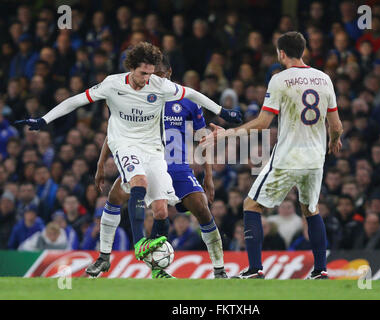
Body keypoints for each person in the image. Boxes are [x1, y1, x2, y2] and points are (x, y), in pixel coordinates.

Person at [16, 42, 241, 273]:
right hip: (127, 147)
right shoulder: (113, 85)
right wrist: (45, 120)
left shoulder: (166, 90)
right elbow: (81, 105)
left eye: (155, 74)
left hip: (164, 157)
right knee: (127, 189)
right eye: (145, 73)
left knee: (172, 210)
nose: (150, 79)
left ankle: (179, 269)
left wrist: (223, 113)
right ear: (132, 68)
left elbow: (196, 105)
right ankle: (123, 249)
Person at [202, 31, 343, 279]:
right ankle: (321, 269)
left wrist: (226, 135)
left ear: (281, 53)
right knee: (311, 209)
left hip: (288, 156)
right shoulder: (324, 79)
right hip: (315, 158)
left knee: (251, 205)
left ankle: (255, 268)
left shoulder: (279, 80)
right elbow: (336, 125)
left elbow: (262, 123)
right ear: (303, 51)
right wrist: (334, 140)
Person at [85, 55, 229, 279]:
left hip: (177, 167)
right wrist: (101, 162)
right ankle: (105, 257)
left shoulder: (187, 101)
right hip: (145, 161)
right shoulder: (138, 97)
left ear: (169, 74)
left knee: (202, 211)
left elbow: (204, 139)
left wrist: (208, 176)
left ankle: (219, 270)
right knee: (114, 199)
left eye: (159, 76)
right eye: (150, 76)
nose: (153, 81)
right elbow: (117, 131)